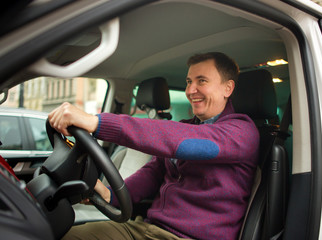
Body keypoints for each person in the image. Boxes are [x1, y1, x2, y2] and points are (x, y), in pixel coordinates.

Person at [48, 52, 260, 240]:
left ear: (228, 88)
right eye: (188, 81)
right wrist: (110, 194)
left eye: (201, 81)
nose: (190, 90)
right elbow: (153, 173)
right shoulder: (187, 127)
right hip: (148, 228)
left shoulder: (242, 132)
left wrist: (97, 122)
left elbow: (184, 141)